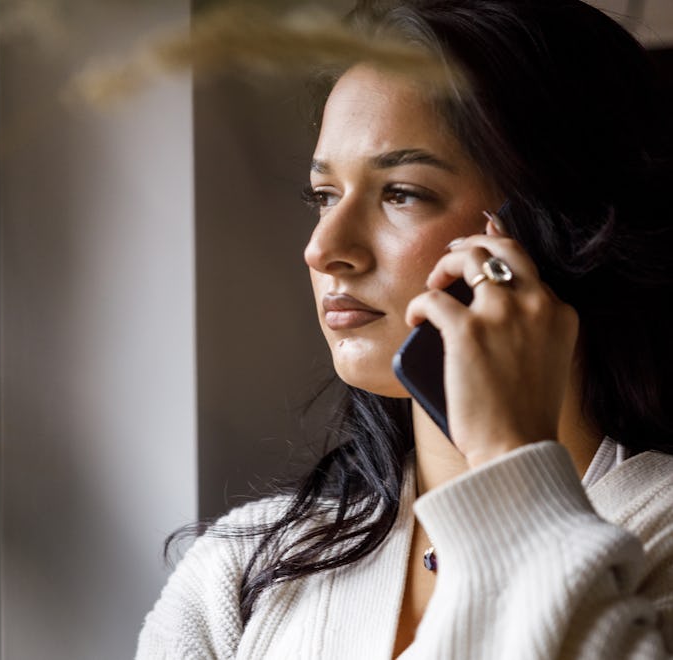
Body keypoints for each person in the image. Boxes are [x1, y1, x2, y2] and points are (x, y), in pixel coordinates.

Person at [136, 1, 673, 657]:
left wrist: (510, 462)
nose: (324, 247)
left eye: (402, 193)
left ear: (557, 222)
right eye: (325, 195)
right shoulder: (245, 569)